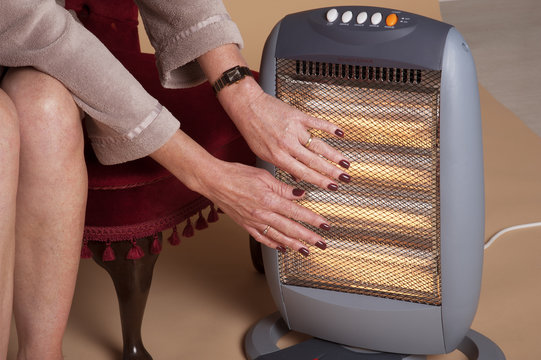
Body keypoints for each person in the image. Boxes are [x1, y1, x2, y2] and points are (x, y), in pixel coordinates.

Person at [0, 0, 351, 358]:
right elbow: (31, 21)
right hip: (21, 21)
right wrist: (209, 175)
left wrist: (242, 93)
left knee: (46, 112)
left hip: (23, 41)